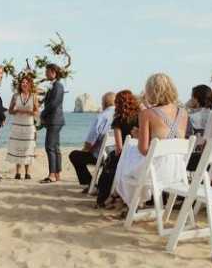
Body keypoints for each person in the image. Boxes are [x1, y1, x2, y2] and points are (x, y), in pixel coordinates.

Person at [116, 73, 188, 209]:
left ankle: (132, 203)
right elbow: (171, 139)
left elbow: (143, 150)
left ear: (151, 91)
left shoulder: (147, 114)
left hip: (157, 171)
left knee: (127, 153)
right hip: (177, 170)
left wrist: (139, 137)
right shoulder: (183, 113)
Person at [95, 90, 139, 207]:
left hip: (127, 156)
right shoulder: (141, 117)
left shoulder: (118, 120)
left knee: (110, 161)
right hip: (139, 156)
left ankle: (102, 197)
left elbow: (119, 148)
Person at [68, 92, 116, 188]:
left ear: (104, 103)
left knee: (74, 155)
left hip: (102, 157)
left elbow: (90, 140)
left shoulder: (102, 116)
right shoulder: (119, 115)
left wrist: (85, 150)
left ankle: (90, 183)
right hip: (116, 156)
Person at [5, 76, 39, 180]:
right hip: (17, 125)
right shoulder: (15, 96)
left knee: (28, 148)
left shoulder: (34, 96)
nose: (24, 84)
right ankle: (18, 172)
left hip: (28, 126)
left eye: (26, 82)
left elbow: (37, 112)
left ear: (30, 84)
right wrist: (17, 111)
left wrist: (29, 112)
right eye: (22, 82)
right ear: (20, 84)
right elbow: (10, 111)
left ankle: (27, 173)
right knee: (17, 148)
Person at [40, 63, 65, 184]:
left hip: (55, 120)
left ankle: (52, 175)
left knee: (49, 147)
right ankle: (57, 174)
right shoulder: (54, 85)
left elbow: (54, 104)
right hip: (55, 120)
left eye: (47, 71)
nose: (46, 73)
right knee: (55, 147)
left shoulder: (58, 86)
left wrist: (42, 114)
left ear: (53, 72)